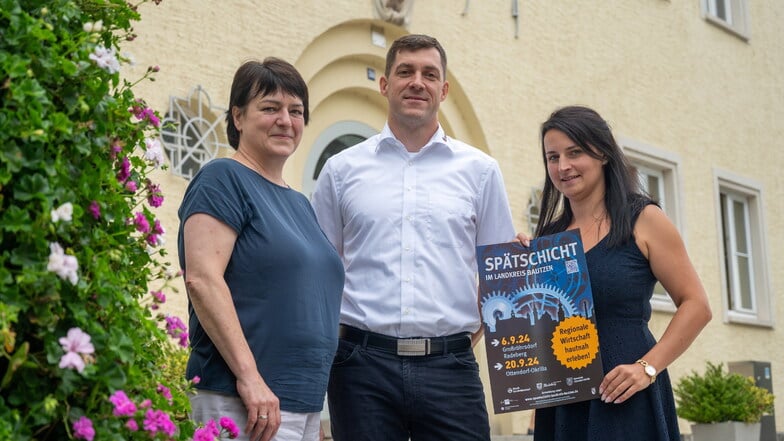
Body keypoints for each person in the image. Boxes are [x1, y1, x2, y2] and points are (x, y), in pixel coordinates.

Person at [310, 34, 516, 441]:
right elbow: (320, 274)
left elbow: (500, 277)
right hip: (360, 369)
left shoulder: (481, 171)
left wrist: (460, 342)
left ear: (444, 89)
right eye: (405, 71)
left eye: (429, 74)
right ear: (385, 84)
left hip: (451, 370)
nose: (417, 82)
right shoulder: (340, 170)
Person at [178, 58, 344, 441]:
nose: (285, 120)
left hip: (297, 405)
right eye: (270, 108)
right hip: (242, 399)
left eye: (296, 111)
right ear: (238, 117)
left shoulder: (300, 204)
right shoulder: (222, 179)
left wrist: (313, 411)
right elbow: (203, 279)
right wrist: (250, 378)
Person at [530, 105, 712, 441]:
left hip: (627, 392)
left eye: (575, 152)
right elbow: (536, 326)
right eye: (552, 157)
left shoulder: (643, 219)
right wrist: (515, 268)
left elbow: (696, 305)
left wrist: (648, 368)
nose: (563, 166)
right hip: (564, 403)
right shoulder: (548, 240)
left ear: (602, 154)